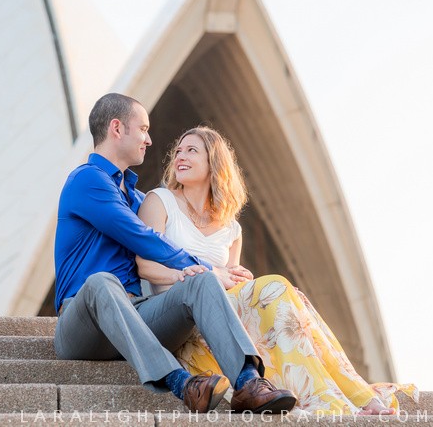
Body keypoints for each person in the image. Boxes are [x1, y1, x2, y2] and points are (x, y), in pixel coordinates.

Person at [136, 126, 418, 416]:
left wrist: (238, 280)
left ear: (214, 162)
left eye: (191, 150)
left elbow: (229, 285)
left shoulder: (232, 229)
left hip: (225, 322)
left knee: (288, 302)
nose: (180, 157)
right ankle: (335, 401)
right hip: (180, 318)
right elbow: (145, 266)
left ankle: (353, 396)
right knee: (275, 289)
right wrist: (198, 274)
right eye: (178, 151)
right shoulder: (160, 201)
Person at [53, 93, 296, 414]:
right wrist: (208, 267)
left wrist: (206, 273)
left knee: (202, 282)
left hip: (136, 315)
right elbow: (142, 238)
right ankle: (181, 382)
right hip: (83, 324)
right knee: (102, 281)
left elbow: (173, 250)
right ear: (117, 128)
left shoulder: (138, 199)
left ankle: (248, 382)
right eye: (143, 129)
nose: (149, 140)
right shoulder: (87, 180)